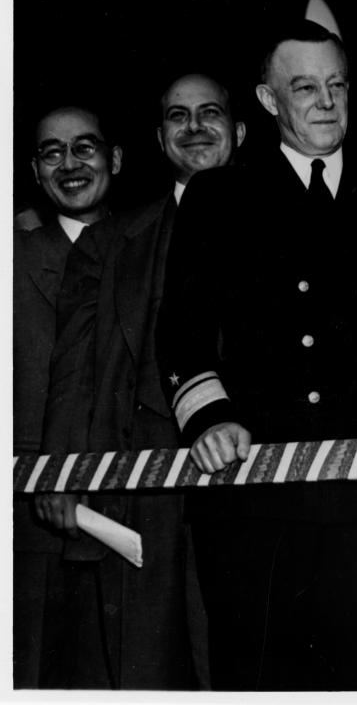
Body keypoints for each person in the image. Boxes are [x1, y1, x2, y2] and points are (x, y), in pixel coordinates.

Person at [155, 20, 357, 690]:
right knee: (258, 675)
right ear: (267, 99)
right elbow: (182, 330)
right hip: (256, 496)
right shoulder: (222, 195)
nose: (326, 101)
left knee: (352, 671)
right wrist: (208, 418)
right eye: (306, 87)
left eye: (337, 85)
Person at [34, 73, 245, 688]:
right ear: (159, 138)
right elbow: (73, 371)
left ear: (239, 129)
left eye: (210, 112)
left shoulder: (284, 225)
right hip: (140, 494)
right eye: (178, 117)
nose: (195, 127)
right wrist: (61, 474)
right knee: (144, 670)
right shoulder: (110, 243)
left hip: (249, 485)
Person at [14, 105, 122, 687]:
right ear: (35, 169)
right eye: (52, 152)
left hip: (127, 512)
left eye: (86, 147)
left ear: (115, 159)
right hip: (27, 523)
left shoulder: (146, 248)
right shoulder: (13, 255)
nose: (71, 163)